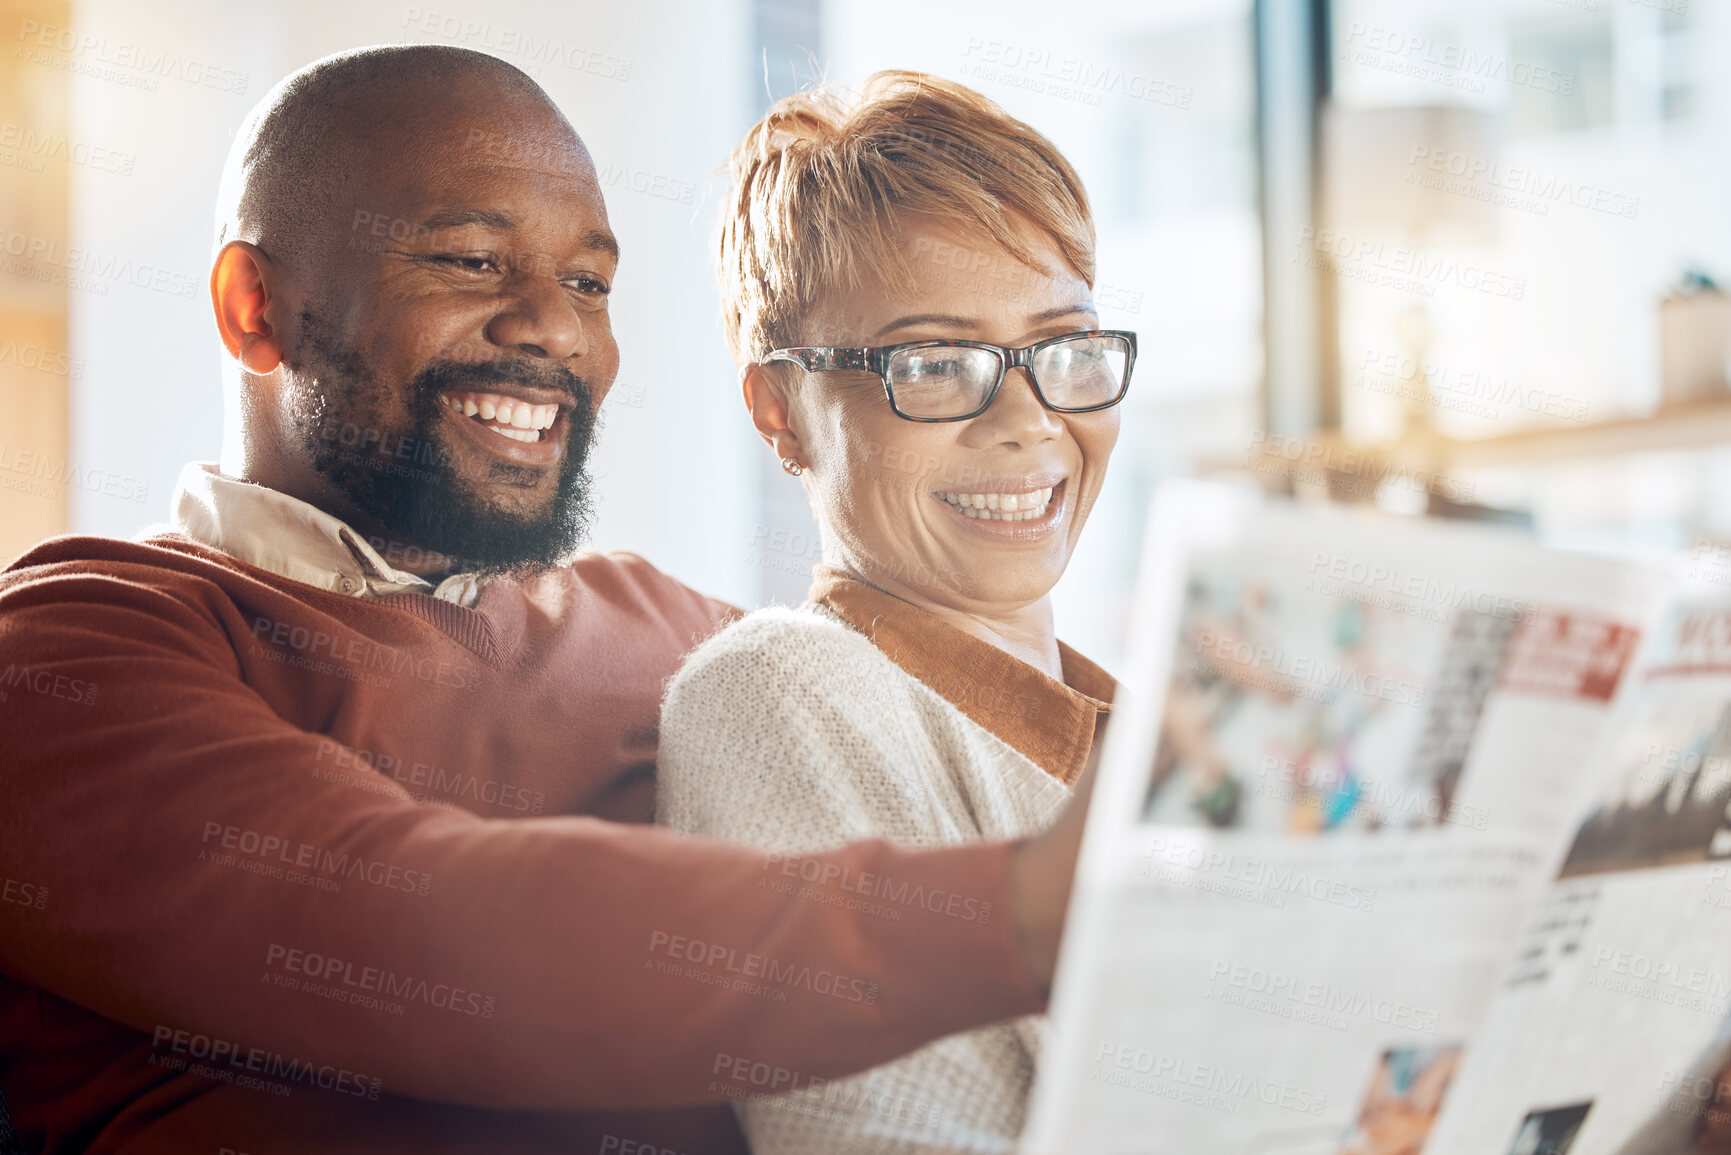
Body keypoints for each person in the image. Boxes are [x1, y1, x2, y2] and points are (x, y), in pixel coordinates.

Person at [0, 46, 1090, 1155]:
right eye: (473, 262)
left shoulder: (682, 635)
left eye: (588, 284)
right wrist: (1017, 912)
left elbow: (963, 738)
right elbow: (412, 925)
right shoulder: (71, 647)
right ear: (256, 307)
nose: (556, 329)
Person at [657, 72, 1130, 1153]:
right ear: (781, 408)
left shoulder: (1137, 727)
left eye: (1063, 349)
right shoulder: (779, 689)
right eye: (933, 362)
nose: (1029, 419)